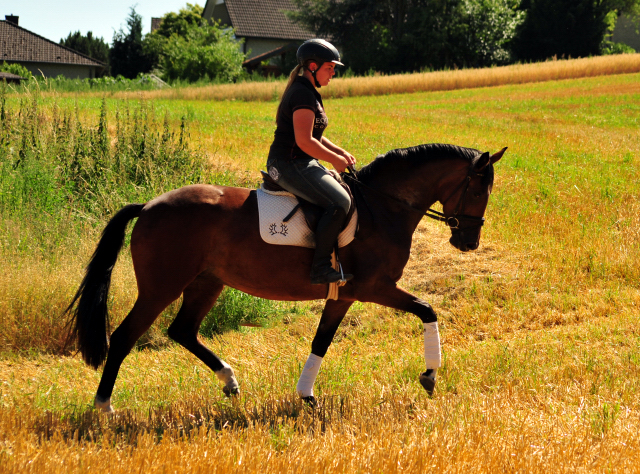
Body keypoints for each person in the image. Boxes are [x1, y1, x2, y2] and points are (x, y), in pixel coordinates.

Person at [266, 39, 356, 285]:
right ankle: (320, 269)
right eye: (330, 67)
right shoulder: (302, 94)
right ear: (313, 66)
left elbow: (316, 135)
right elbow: (305, 142)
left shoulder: (309, 91)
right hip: (287, 164)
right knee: (339, 201)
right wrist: (335, 160)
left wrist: (340, 151)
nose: (333, 73)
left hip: (300, 162)